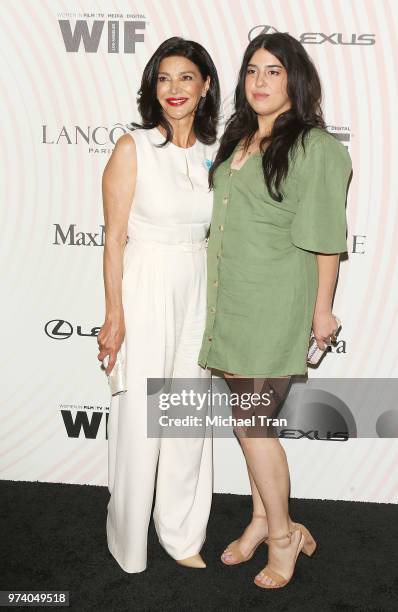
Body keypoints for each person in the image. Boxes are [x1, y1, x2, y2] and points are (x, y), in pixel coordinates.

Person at [198, 32, 352, 588]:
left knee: (253, 426)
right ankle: (263, 520)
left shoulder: (317, 148)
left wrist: (323, 310)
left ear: (295, 80)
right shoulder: (238, 136)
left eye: (273, 72)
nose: (259, 82)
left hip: (272, 304)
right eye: (252, 71)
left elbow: (327, 240)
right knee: (247, 426)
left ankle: (285, 536)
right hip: (231, 301)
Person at [97, 36, 220, 573]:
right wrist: (114, 315)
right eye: (164, 78)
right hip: (147, 279)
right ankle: (128, 541)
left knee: (189, 415)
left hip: (201, 280)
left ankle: (182, 533)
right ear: (153, 87)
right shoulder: (133, 148)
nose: (175, 89)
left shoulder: (219, 152)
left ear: (206, 86)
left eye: (186, 77)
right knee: (142, 419)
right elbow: (113, 237)